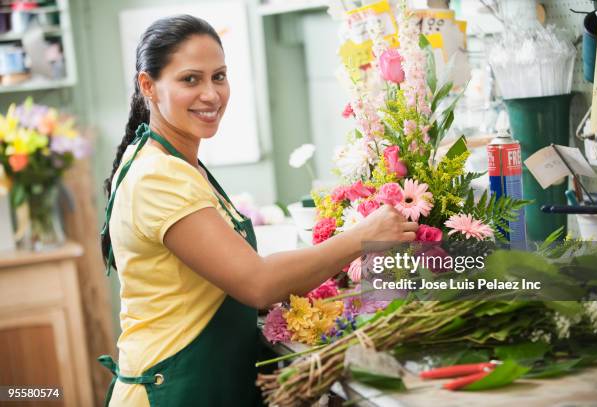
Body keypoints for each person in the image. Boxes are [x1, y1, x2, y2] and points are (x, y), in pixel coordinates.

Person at [98, 14, 418, 407]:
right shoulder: (157, 177)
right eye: (190, 79)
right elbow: (257, 282)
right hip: (171, 389)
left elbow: (219, 278)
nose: (211, 94)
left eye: (219, 76)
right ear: (148, 85)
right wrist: (361, 238)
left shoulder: (171, 160)